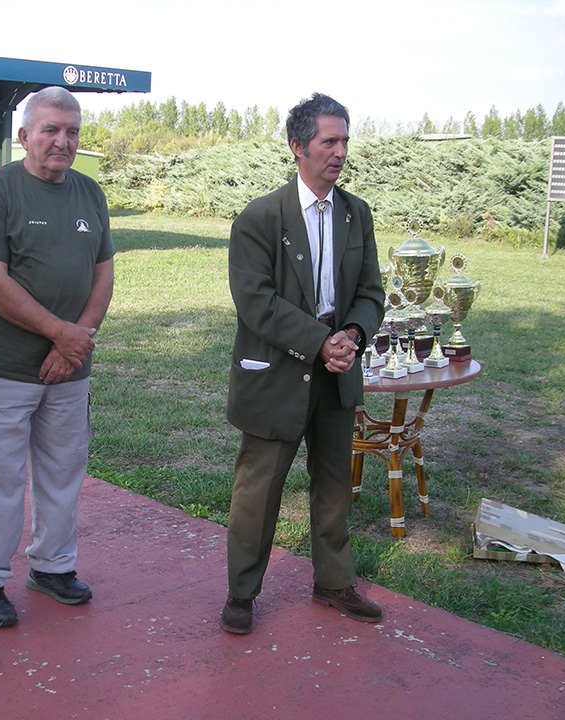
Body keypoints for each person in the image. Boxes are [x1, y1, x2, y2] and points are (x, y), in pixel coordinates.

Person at [220, 93, 385, 634]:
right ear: (297, 146)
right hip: (278, 374)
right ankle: (242, 593)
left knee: (335, 483)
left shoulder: (356, 214)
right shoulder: (260, 218)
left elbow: (370, 291)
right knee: (258, 490)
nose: (339, 152)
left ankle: (334, 582)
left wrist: (353, 335)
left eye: (344, 141)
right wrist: (320, 341)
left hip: (338, 370)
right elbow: (255, 301)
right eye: (328, 141)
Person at [0, 86, 114, 629]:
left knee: (63, 471)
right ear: (23, 135)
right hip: (0, 369)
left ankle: (52, 566)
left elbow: (102, 273)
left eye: (71, 131)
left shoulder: (90, 195)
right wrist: (62, 335)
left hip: (69, 372)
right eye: (50, 129)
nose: (62, 141)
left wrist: (77, 342)